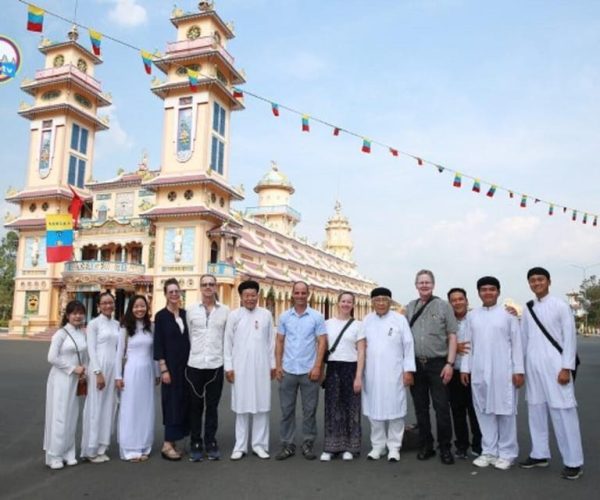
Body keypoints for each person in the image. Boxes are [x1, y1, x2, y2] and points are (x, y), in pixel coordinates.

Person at [518, 267, 584, 480]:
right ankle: (539, 454)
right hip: (534, 367)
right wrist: (521, 369)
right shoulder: (528, 308)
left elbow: (569, 339)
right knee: (536, 410)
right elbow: (523, 339)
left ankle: (573, 462)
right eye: (532, 280)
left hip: (557, 368)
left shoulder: (561, 306)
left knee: (563, 412)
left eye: (540, 279)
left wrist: (566, 368)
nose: (536, 283)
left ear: (548, 281)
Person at [460, 276, 524, 470]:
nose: (488, 292)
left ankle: (507, 453)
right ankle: (489, 451)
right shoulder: (472, 316)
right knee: (483, 411)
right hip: (479, 371)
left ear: (498, 292)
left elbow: (517, 345)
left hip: (503, 372)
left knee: (505, 412)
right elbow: (467, 345)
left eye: (492, 289)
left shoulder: (508, 316)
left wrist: (518, 370)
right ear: (478, 293)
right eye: (484, 289)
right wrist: (465, 368)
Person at [405, 270, 458, 465]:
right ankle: (425, 445)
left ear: (433, 285)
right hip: (416, 364)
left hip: (438, 364)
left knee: (442, 407)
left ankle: (445, 447)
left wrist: (450, 364)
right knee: (420, 408)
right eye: (421, 282)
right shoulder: (410, 308)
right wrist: (407, 368)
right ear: (416, 285)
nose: (424, 285)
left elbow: (452, 335)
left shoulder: (444, 306)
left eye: (427, 282)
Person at [275, 281, 327, 461]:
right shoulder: (284, 317)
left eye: (303, 293)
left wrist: (318, 366)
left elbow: (322, 342)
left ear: (308, 294)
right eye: (296, 293)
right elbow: (280, 341)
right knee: (286, 410)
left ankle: (308, 442)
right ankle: (287, 444)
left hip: (308, 370)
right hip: (288, 369)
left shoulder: (316, 317)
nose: (300, 296)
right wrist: (278, 365)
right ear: (292, 294)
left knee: (310, 410)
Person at [224, 280, 275, 460]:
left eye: (253, 295)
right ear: (241, 297)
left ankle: (259, 445)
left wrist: (273, 365)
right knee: (242, 407)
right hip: (240, 368)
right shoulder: (234, 316)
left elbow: (271, 343)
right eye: (247, 295)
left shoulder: (266, 315)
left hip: (262, 367)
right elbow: (227, 343)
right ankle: (240, 446)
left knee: (262, 406)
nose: (250, 299)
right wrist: (228, 367)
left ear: (257, 296)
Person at [362, 287, 415, 462]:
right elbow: (361, 347)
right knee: (374, 411)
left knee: (395, 410)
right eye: (377, 300)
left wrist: (408, 371)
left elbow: (408, 346)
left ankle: (394, 447)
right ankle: (378, 446)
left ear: (390, 302)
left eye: (385, 299)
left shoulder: (400, 320)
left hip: (395, 373)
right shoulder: (367, 320)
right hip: (372, 374)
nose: (381, 303)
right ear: (372, 302)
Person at [186, 274, 230, 462]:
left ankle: (210, 441)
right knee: (195, 407)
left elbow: (227, 339)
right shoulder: (191, 310)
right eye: (204, 284)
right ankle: (195, 442)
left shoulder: (225, 311)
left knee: (212, 406)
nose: (208, 287)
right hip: (195, 364)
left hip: (215, 364)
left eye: (211, 284)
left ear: (216, 287)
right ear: (200, 287)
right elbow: (189, 335)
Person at [320, 291, 365, 462]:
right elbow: (323, 349)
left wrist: (358, 376)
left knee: (351, 407)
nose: (346, 304)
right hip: (333, 367)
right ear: (337, 303)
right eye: (343, 301)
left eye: (349, 302)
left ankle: (350, 447)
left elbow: (361, 352)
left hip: (351, 367)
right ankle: (331, 447)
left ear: (353, 305)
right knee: (332, 407)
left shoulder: (358, 325)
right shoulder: (327, 324)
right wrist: (322, 370)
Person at [43, 300, 88, 469]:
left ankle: (69, 452)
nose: (78, 316)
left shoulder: (82, 333)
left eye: (80, 313)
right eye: (74, 313)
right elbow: (52, 357)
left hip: (76, 379)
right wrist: (72, 368)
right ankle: (55, 454)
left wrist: (84, 371)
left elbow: (84, 356)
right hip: (61, 378)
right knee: (59, 415)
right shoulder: (60, 334)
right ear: (68, 315)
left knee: (72, 415)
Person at [115, 295, 160, 462]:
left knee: (145, 408)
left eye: (142, 306)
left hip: (147, 372)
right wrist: (118, 376)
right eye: (136, 306)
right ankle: (130, 448)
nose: (139, 309)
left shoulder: (151, 327)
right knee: (130, 408)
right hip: (131, 371)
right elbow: (119, 353)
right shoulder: (125, 327)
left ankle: (144, 445)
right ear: (131, 308)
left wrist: (156, 373)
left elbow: (154, 353)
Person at [154, 278, 191, 461]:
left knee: (183, 403)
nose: (175, 294)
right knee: (170, 403)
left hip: (185, 367)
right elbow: (158, 344)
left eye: (177, 291)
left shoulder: (185, 314)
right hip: (170, 367)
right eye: (171, 292)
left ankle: (175, 441)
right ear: (165, 294)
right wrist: (163, 369)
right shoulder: (161, 316)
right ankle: (167, 444)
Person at [81, 292, 120, 463]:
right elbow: (91, 350)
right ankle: (90, 449)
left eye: (110, 302)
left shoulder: (117, 324)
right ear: (98, 305)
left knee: (109, 406)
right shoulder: (94, 324)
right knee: (95, 407)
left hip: (113, 367)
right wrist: (97, 372)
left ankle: (102, 446)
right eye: (104, 303)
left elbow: (120, 349)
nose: (107, 306)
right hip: (99, 368)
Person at [447, 288, 482, 458]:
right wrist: (454, 347)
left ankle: (479, 444)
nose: (458, 302)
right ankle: (461, 445)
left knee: (476, 410)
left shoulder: (476, 318)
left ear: (467, 301)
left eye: (461, 299)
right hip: (454, 371)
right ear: (450, 303)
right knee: (457, 410)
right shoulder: (446, 322)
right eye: (453, 300)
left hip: (475, 371)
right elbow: (438, 341)